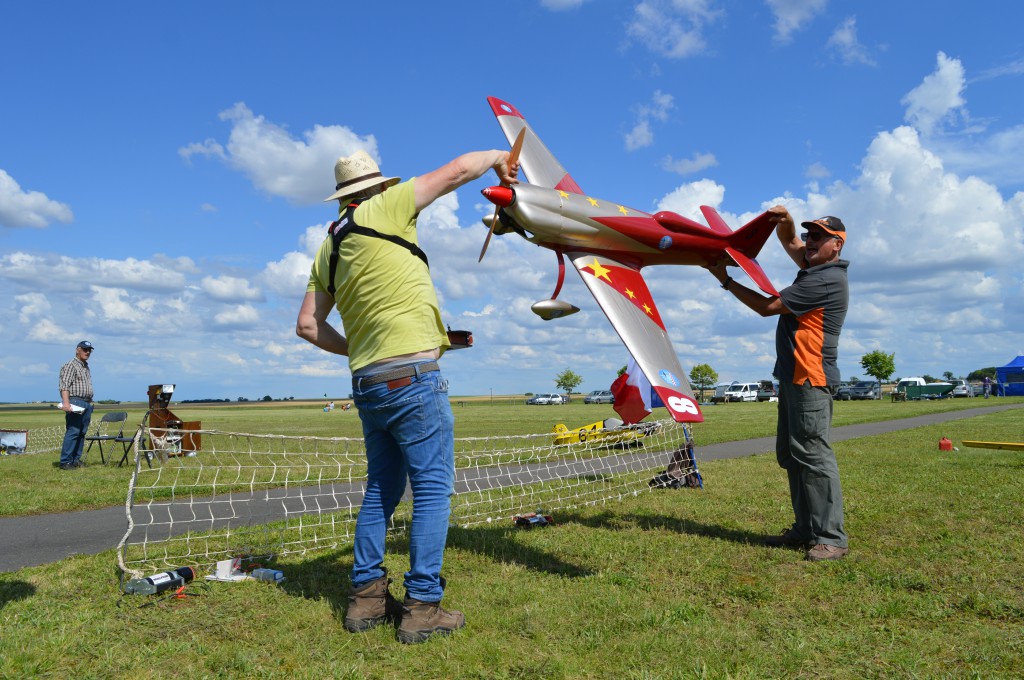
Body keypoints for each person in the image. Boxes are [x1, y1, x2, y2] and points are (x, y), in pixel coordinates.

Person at [296, 147, 518, 643]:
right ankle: (422, 605)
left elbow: (309, 326)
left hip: (367, 383)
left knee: (381, 490)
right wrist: (500, 156)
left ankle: (366, 600)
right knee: (434, 490)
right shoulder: (387, 206)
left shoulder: (328, 247)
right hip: (412, 379)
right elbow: (460, 170)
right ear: (376, 187)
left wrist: (365, 349)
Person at [706, 207, 850, 562]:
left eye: (819, 236)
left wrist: (724, 279)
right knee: (792, 455)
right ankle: (806, 529)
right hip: (792, 378)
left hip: (810, 379)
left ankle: (831, 537)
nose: (811, 241)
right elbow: (789, 239)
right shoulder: (813, 265)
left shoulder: (825, 279)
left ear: (837, 245)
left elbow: (768, 306)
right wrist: (783, 218)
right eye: (810, 234)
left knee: (813, 456)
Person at [57, 341, 95, 470]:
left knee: (82, 433)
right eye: (85, 349)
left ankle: (75, 460)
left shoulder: (85, 366)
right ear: (77, 350)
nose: (88, 352)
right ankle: (65, 461)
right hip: (75, 401)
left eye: (89, 350)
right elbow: (64, 386)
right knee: (73, 431)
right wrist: (66, 403)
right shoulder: (70, 365)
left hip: (86, 402)